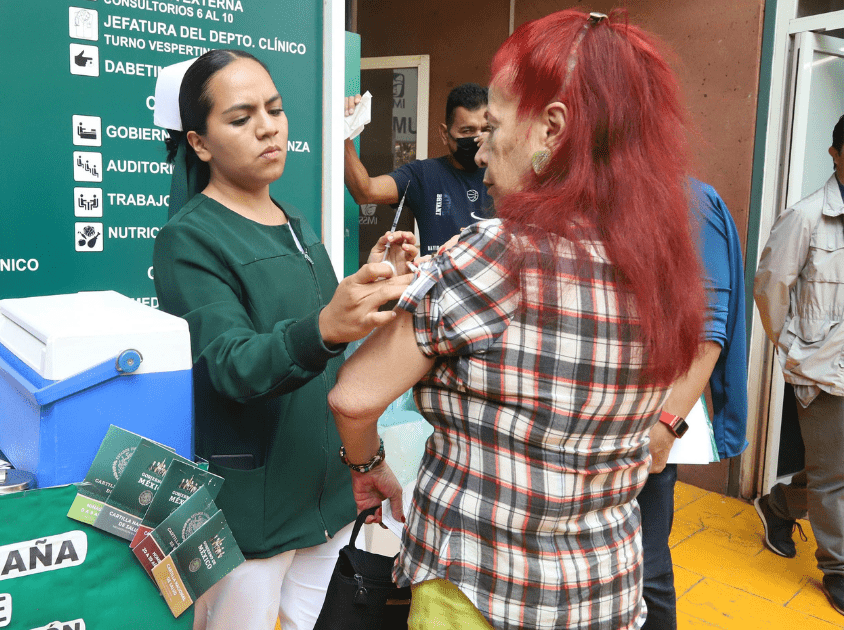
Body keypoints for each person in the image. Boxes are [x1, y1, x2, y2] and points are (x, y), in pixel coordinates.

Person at [328, 10, 706, 629]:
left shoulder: (496, 256)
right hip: (605, 591)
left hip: (479, 591)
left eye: (494, 126)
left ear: (551, 128)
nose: (479, 150)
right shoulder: (662, 266)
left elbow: (354, 397)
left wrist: (368, 469)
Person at [151, 49, 418, 630]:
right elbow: (232, 364)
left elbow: (327, 352)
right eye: (241, 117)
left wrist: (375, 284)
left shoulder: (294, 220)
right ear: (199, 143)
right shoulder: (188, 238)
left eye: (274, 109)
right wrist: (325, 326)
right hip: (250, 515)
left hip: (327, 500)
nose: (268, 127)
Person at [636, 179, 749, 630]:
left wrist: (666, 426)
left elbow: (707, 331)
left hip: (648, 420)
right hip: (584, 419)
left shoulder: (690, 200)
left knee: (646, 568)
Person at [752, 113, 844, 617]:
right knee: (835, 479)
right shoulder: (806, 217)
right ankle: (839, 570)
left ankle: (779, 506)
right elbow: (770, 288)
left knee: (834, 469)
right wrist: (796, 349)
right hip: (825, 372)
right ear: (835, 153)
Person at [344, 83, 491, 255]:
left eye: (487, 130)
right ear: (445, 134)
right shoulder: (424, 174)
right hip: (439, 272)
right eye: (467, 131)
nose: (478, 138)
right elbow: (365, 191)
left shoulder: (508, 176)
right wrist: (345, 130)